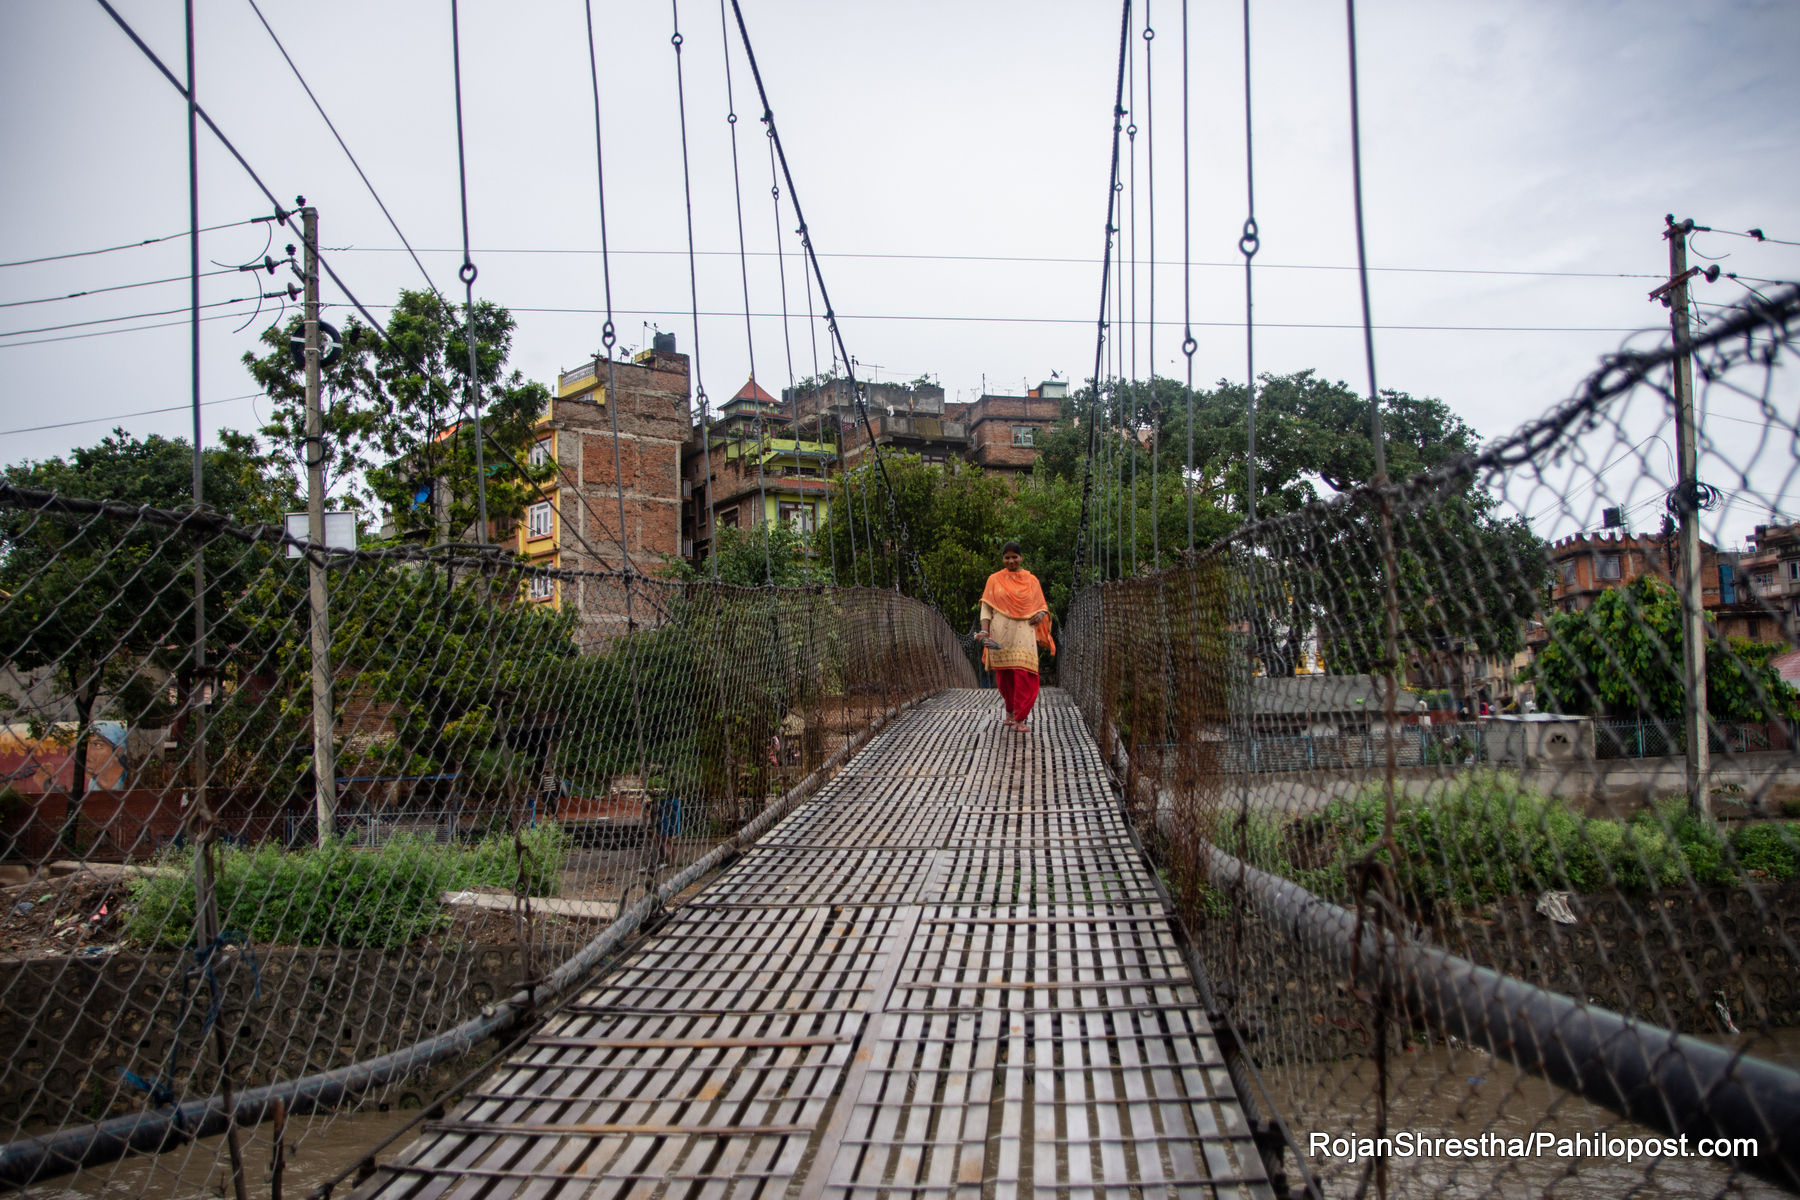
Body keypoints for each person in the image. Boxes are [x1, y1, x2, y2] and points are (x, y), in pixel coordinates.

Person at [979, 541, 1055, 731]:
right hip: (1000, 634)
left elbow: (1042, 605)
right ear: (1003, 559)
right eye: (1007, 557)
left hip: (1024, 632)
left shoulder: (1032, 580)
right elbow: (986, 608)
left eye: (1015, 557)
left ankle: (1020, 719)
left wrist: (1042, 614)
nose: (1011, 561)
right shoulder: (994, 579)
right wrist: (984, 631)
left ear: (1021, 558)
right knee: (1004, 677)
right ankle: (1011, 713)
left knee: (1025, 675)